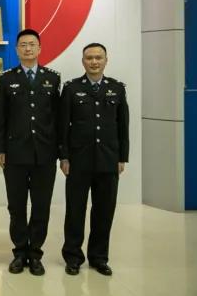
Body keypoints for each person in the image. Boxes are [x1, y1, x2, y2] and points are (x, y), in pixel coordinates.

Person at [60, 43, 129, 277]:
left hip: (108, 160)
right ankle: (73, 257)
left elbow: (123, 126)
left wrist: (122, 157)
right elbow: (63, 126)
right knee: (75, 211)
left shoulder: (116, 89)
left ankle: (99, 257)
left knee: (104, 211)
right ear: (83, 62)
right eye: (89, 58)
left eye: (98, 57)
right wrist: (64, 156)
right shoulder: (71, 88)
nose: (94, 62)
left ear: (106, 60)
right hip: (78, 160)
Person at [0, 29, 61, 276]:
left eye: (32, 44)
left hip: (45, 153)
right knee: (16, 206)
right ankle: (20, 252)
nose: (27, 48)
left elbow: (58, 118)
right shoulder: (6, 79)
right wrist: (0, 149)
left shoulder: (52, 78)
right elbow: (1, 117)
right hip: (15, 154)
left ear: (40, 48)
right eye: (23, 45)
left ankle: (35, 254)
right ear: (16, 50)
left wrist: (60, 151)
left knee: (41, 206)